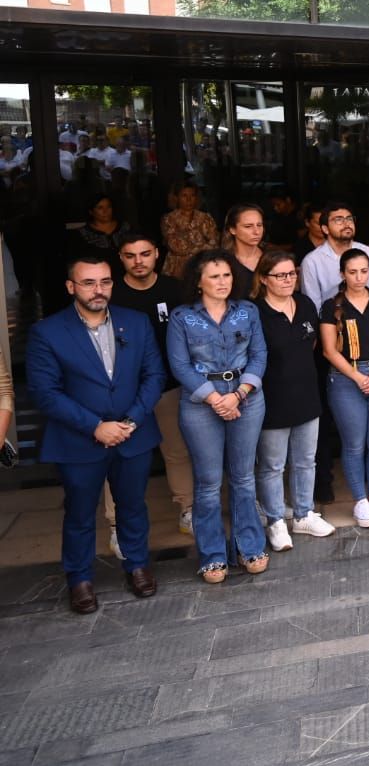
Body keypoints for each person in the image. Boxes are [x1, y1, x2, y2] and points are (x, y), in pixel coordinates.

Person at [29, 257, 166, 613]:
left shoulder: (135, 323)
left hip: (133, 435)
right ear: (71, 287)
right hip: (78, 440)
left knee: (133, 506)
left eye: (104, 282)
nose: (98, 289)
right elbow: (45, 392)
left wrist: (132, 421)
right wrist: (95, 426)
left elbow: (154, 376)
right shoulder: (48, 332)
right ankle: (80, 580)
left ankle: (137, 566)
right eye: (88, 282)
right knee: (80, 513)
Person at [168, 250, 269, 581]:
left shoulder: (247, 311)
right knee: (208, 482)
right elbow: (179, 365)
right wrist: (215, 399)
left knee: (243, 476)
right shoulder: (182, 317)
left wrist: (239, 394)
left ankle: (249, 546)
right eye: (214, 276)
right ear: (198, 282)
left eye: (226, 275)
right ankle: (212, 553)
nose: (222, 282)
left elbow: (259, 355)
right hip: (200, 403)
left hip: (247, 398)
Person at [108, 233, 193, 541]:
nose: (139, 261)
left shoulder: (174, 288)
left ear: (157, 253)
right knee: (119, 456)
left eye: (145, 253)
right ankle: (117, 524)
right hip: (124, 391)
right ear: (121, 258)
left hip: (169, 385)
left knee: (178, 451)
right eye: (131, 255)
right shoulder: (111, 294)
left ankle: (188, 509)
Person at [253, 251, 335, 546]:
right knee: (272, 465)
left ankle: (303, 514)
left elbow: (310, 344)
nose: (288, 280)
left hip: (307, 392)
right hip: (272, 397)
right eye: (280, 275)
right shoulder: (255, 312)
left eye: (292, 274)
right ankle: (275, 521)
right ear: (264, 279)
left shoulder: (304, 303)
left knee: (305, 460)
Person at [319, 248, 369, 528]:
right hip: (346, 377)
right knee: (354, 443)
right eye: (352, 272)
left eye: (364, 271)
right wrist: (356, 377)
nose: (358, 277)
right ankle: (360, 500)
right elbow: (329, 350)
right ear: (342, 273)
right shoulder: (332, 306)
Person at [300, 201, 369, 304]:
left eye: (349, 219)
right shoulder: (312, 262)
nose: (347, 223)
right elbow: (312, 307)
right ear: (325, 229)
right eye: (338, 220)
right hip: (331, 319)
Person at [160, 183, 218, 277]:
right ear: (176, 198)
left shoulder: (205, 217)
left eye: (192, 195)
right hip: (176, 267)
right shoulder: (169, 219)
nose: (189, 199)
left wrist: (191, 246)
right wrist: (201, 246)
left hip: (201, 264)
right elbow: (175, 246)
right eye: (184, 196)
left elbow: (213, 242)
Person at [221, 204, 267, 299]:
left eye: (259, 225)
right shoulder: (223, 262)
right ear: (232, 229)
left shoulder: (272, 258)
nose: (256, 231)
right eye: (248, 226)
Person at [72, 194, 125, 269]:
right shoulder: (81, 234)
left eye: (108, 207)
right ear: (91, 211)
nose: (105, 211)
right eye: (100, 208)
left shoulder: (125, 228)